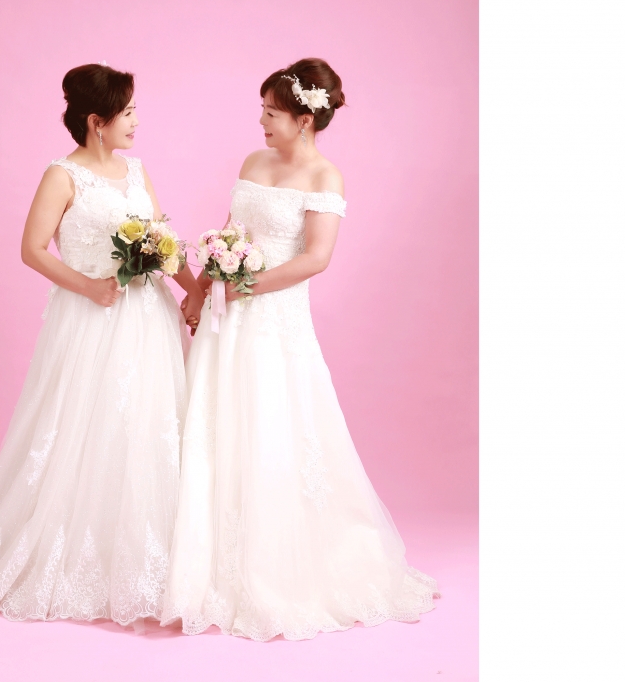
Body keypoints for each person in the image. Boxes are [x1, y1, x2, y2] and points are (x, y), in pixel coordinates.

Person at [162, 58, 438, 641]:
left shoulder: (324, 177)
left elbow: (316, 258)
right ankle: (198, 556)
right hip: (226, 316)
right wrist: (203, 288)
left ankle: (270, 563)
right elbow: (230, 233)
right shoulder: (253, 162)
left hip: (272, 319)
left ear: (305, 118)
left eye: (271, 112)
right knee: (212, 422)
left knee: (271, 424)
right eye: (262, 110)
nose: (262, 121)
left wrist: (245, 286)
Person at [0, 63, 205, 623]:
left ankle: (155, 562)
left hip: (148, 319)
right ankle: (81, 556)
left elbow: (163, 239)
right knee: (86, 425)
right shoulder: (62, 176)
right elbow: (32, 249)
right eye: (127, 112)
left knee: (148, 425)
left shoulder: (136, 170)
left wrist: (196, 289)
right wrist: (89, 287)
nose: (136, 121)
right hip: (90, 319)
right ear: (96, 121)